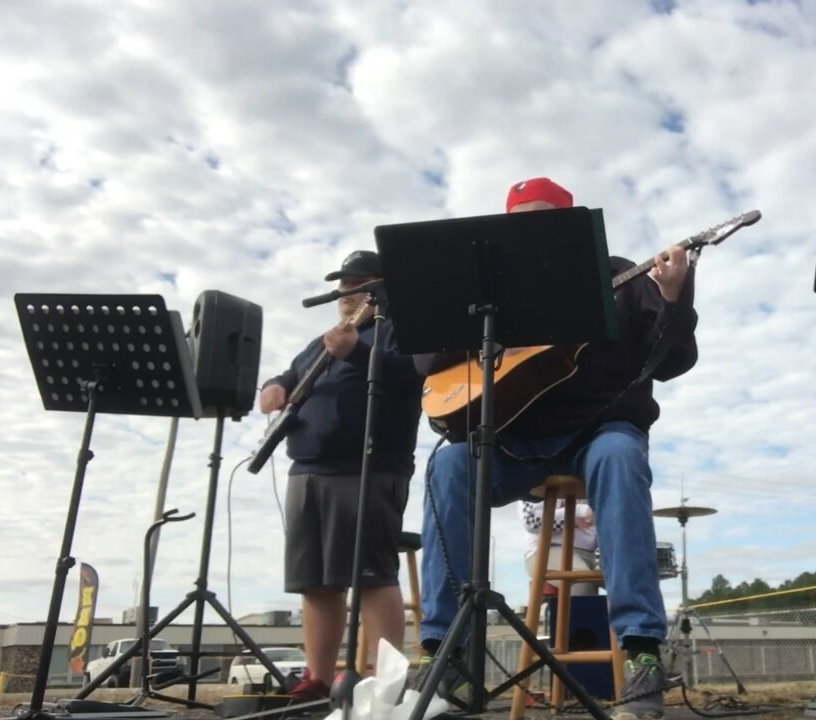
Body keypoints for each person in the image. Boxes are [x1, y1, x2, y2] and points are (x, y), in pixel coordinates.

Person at [414, 177, 697, 720]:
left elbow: (675, 358)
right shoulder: (483, 288)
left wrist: (671, 297)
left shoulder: (620, 277)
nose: (531, 231)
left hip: (599, 432)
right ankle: (442, 649)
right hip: (512, 441)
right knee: (447, 463)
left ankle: (641, 652)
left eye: (545, 219)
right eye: (520, 221)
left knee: (619, 456)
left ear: (571, 229)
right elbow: (425, 365)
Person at [258, 250, 424, 701]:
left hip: (368, 467)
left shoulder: (398, 332)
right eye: (341, 285)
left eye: (356, 284)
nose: (344, 294)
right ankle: (316, 678)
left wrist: (358, 352)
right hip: (308, 470)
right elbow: (290, 374)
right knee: (315, 580)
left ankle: (384, 681)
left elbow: (412, 377)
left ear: (378, 289)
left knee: (372, 573)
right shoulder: (321, 341)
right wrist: (273, 386)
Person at [521, 498, 601, 597]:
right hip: (547, 551)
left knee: (623, 578)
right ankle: (580, 612)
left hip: (593, 552)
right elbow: (531, 520)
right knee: (581, 578)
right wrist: (575, 514)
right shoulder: (535, 484)